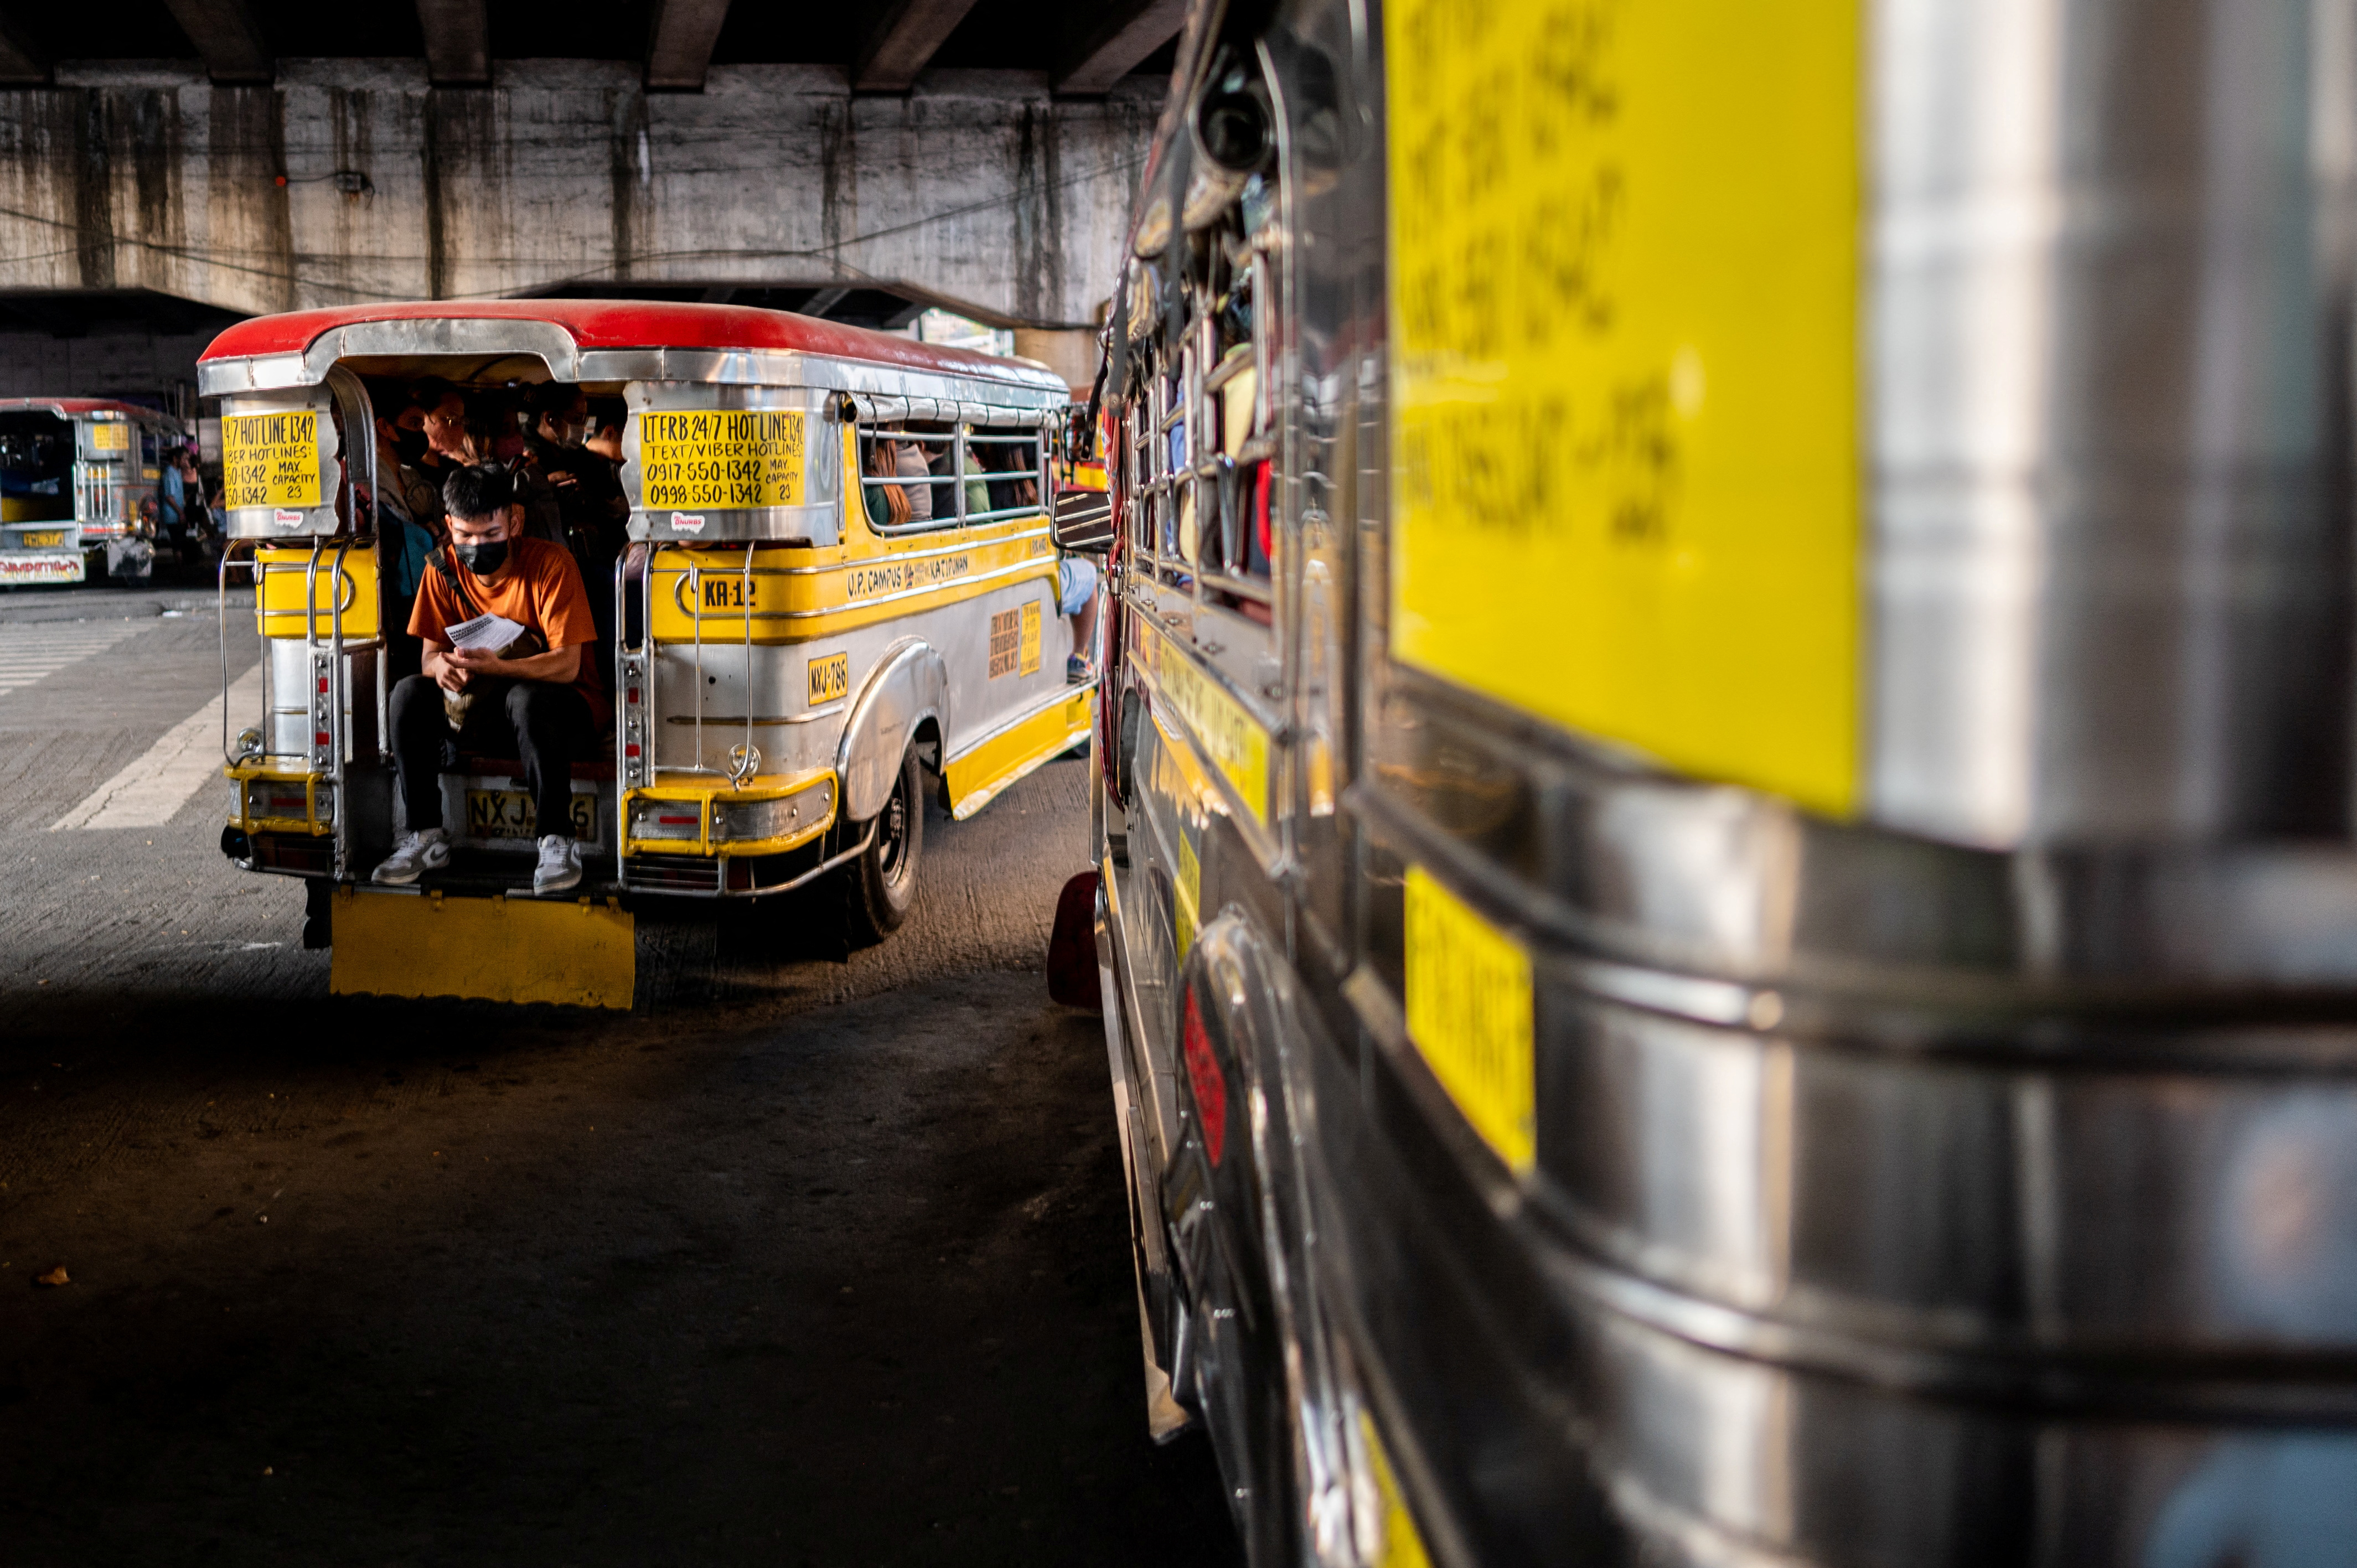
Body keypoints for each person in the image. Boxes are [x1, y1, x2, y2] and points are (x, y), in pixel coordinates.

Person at [374, 463, 604, 896]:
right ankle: (426, 834)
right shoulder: (441, 569)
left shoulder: (552, 565)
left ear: (514, 521)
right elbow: (427, 656)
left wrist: (499, 667)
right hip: (482, 710)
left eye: (490, 534)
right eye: (465, 535)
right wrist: (442, 668)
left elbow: (567, 665)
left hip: (562, 716)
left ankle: (557, 839)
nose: (477, 545)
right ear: (448, 527)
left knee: (527, 698)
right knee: (407, 693)